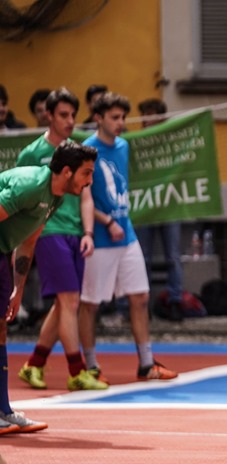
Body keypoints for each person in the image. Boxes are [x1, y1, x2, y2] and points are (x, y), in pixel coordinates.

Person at [0, 139, 99, 432]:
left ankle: (4, 410)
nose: (89, 181)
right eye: (86, 174)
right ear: (67, 172)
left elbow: (29, 240)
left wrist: (18, 288)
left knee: (1, 328)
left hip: (3, 251)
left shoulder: (55, 196)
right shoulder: (30, 186)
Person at [79, 92, 178, 382]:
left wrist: (120, 220)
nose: (121, 123)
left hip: (127, 235)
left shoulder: (123, 146)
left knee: (140, 297)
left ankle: (146, 363)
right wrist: (106, 221)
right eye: (114, 117)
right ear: (98, 118)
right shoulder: (86, 149)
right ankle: (91, 366)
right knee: (90, 304)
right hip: (99, 239)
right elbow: (81, 196)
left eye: (123, 117)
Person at [17, 88, 107, 392]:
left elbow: (86, 196)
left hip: (74, 234)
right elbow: (20, 197)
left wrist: (89, 233)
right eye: (64, 115)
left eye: (73, 115)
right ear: (49, 116)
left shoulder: (78, 150)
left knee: (65, 302)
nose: (70, 121)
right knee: (68, 301)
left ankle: (34, 364)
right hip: (48, 232)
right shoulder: (31, 153)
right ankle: (76, 370)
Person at [134, 98, 183, 321]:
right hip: (145, 207)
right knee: (143, 258)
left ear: (162, 117)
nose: (148, 121)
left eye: (152, 115)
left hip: (169, 206)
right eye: (145, 116)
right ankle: (145, 304)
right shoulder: (134, 144)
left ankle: (175, 301)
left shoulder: (173, 142)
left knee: (173, 256)